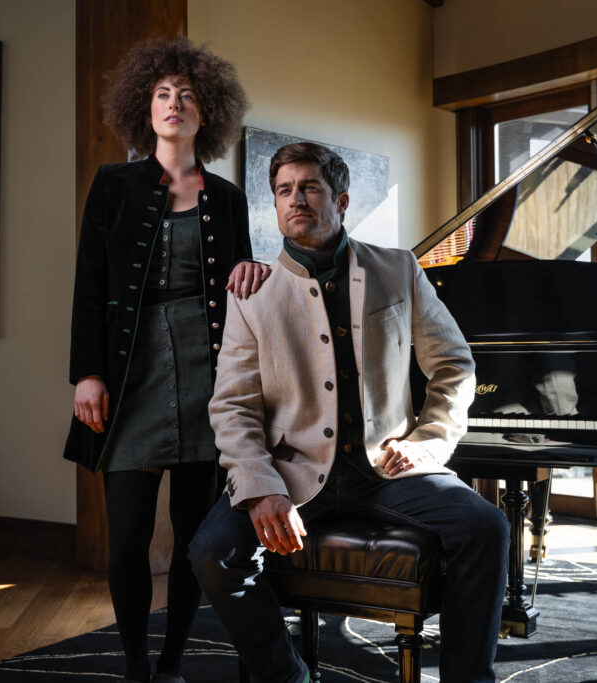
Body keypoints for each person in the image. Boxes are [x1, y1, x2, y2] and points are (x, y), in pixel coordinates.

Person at [189, 142, 510, 683]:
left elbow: (455, 364)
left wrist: (429, 442)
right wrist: (261, 486)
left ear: (339, 199)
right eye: (285, 191)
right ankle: (287, 676)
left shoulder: (398, 269)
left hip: (385, 468)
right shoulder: (252, 292)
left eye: (310, 187)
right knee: (212, 551)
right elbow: (234, 407)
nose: (297, 200)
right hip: (291, 474)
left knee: (487, 526)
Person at [63, 36, 268, 683]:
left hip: (209, 384)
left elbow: (241, 281)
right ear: (144, 109)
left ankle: (173, 662)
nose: (174, 103)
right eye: (161, 94)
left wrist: (253, 270)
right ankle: (133, 663)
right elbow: (89, 283)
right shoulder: (113, 185)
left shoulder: (228, 198)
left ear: (207, 111)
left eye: (185, 95)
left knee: (191, 541)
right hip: (130, 378)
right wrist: (86, 373)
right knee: (125, 536)